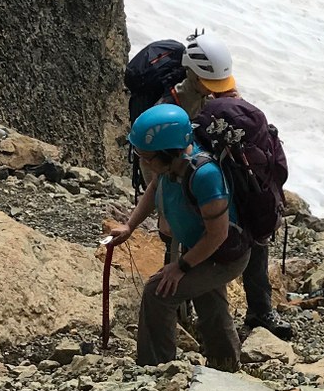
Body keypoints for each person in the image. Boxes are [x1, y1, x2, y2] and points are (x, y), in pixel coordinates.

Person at [101, 103, 250, 369]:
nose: (144, 163)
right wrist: (130, 226)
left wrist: (180, 267)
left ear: (169, 152)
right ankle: (226, 366)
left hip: (224, 254)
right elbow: (155, 188)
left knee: (159, 292)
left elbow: (218, 235)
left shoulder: (206, 176)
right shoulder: (171, 166)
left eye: (148, 157)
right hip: (203, 249)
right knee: (210, 304)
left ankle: (156, 368)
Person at [173, 30, 293, 341]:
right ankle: (255, 311)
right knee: (244, 244)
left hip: (225, 189)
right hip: (237, 190)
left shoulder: (213, 109)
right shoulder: (235, 107)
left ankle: (213, 318)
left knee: (220, 244)